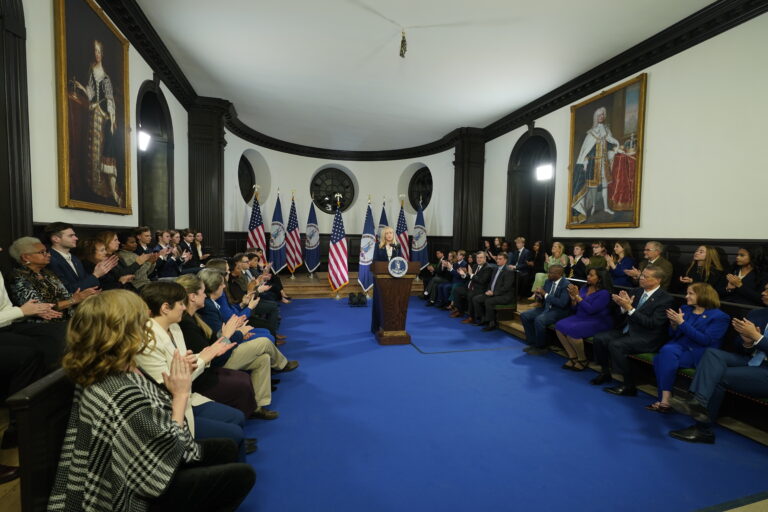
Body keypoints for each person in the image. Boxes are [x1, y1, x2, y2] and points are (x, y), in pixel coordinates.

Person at [48, 289, 255, 510]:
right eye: (141, 319)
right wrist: (180, 394)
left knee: (227, 446)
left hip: (143, 460)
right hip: (134, 491)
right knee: (243, 475)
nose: (147, 324)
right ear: (127, 331)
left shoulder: (102, 366)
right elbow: (168, 452)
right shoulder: (120, 389)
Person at [138, 282, 250, 457]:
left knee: (238, 418)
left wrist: (206, 356)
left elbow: (186, 367)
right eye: (180, 304)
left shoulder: (174, 327)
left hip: (189, 393)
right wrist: (205, 357)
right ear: (165, 308)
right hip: (171, 408)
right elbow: (169, 385)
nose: (184, 307)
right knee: (235, 433)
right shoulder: (148, 341)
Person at [670, 283, 768, 444]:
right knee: (712, 354)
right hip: (751, 360)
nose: (762, 293)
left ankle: (704, 428)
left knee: (717, 377)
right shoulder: (758, 313)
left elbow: (760, 341)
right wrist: (748, 342)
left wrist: (757, 338)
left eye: (767, 290)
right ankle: (697, 401)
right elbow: (740, 346)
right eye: (763, 289)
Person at [197, 268, 297, 419]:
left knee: (262, 359)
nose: (224, 287)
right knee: (264, 341)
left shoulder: (212, 303)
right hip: (220, 357)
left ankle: (257, 405)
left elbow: (227, 329)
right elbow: (222, 336)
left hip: (226, 348)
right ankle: (281, 364)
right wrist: (241, 333)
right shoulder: (209, 307)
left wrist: (239, 330)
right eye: (221, 285)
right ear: (214, 287)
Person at [175, 274, 258, 417]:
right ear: (193, 297)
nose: (205, 296)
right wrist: (228, 335)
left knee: (254, 367)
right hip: (201, 376)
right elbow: (209, 355)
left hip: (207, 367)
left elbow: (212, 342)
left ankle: (254, 409)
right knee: (243, 381)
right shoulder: (187, 323)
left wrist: (230, 333)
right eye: (202, 292)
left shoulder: (194, 317)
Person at [590, 265, 674, 396]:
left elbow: (652, 323)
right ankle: (605, 372)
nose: (641, 278)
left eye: (646, 276)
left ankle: (629, 385)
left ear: (658, 280)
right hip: (628, 330)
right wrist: (622, 307)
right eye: (642, 275)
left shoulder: (665, 299)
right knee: (600, 338)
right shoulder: (636, 291)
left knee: (616, 345)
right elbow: (623, 314)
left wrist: (629, 308)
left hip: (648, 337)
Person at [647, 283, 729, 413]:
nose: (686, 296)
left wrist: (682, 323)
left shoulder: (719, 317)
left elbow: (705, 340)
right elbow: (673, 334)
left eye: (690, 293)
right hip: (679, 347)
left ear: (703, 295)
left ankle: (664, 399)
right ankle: (665, 400)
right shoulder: (685, 309)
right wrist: (674, 325)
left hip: (698, 352)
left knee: (661, 357)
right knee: (666, 353)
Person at [72, 40, 122, 205]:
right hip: (93, 112)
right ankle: (92, 182)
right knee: (91, 147)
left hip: (102, 115)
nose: (96, 54)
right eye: (94, 51)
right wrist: (81, 87)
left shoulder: (105, 77)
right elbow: (91, 93)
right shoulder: (91, 71)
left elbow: (109, 99)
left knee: (100, 147)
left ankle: (100, 183)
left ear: (102, 54)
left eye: (99, 51)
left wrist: (112, 118)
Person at [8, 237, 97, 326]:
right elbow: (38, 308)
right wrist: (73, 300)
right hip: (39, 325)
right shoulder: (18, 276)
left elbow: (65, 296)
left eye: (47, 251)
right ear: (26, 257)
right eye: (42, 252)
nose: (48, 255)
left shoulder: (48, 273)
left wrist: (81, 295)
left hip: (65, 320)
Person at [554, 269, 614, 370]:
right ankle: (572, 356)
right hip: (581, 316)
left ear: (599, 279)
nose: (588, 277)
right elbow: (575, 308)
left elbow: (591, 310)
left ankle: (582, 359)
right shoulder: (584, 288)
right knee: (559, 325)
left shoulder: (604, 293)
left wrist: (577, 297)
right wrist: (573, 301)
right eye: (588, 275)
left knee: (573, 331)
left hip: (598, 320)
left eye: (591, 275)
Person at [571, 106, 622, 222]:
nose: (601, 117)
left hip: (604, 162)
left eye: (603, 114)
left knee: (605, 186)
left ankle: (606, 207)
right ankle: (593, 206)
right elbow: (586, 150)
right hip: (593, 164)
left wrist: (617, 145)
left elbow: (610, 141)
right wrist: (584, 161)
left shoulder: (606, 130)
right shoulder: (591, 133)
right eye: (599, 115)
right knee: (593, 187)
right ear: (596, 117)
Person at [44, 222, 116, 294]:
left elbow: (84, 282)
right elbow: (66, 290)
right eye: (71, 236)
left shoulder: (74, 258)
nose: (76, 238)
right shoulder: (49, 260)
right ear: (56, 239)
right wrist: (96, 274)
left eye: (74, 235)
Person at [520, 264, 571, 355]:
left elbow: (562, 304)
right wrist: (539, 296)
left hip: (558, 311)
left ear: (559, 274)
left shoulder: (566, 285)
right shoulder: (548, 281)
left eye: (550, 273)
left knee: (539, 320)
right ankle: (533, 343)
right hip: (546, 308)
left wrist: (545, 294)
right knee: (524, 315)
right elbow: (544, 297)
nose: (548, 274)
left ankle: (541, 347)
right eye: (548, 272)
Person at [471, 252, 515, 331]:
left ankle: (492, 323)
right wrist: (488, 290)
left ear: (505, 260)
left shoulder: (509, 271)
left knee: (488, 301)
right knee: (476, 299)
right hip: (493, 293)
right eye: (497, 259)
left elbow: (506, 287)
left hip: (504, 296)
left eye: (500, 259)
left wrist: (494, 293)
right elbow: (490, 282)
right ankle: (483, 318)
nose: (497, 260)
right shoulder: (495, 269)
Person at [454, 251, 494, 322]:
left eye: (481, 258)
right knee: (456, 290)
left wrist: (471, 274)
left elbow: (482, 281)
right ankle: (460, 311)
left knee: (470, 295)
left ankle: (471, 317)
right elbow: (470, 277)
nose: (479, 259)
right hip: (470, 287)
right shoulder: (475, 266)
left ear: (485, 259)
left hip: (480, 289)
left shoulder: (488, 268)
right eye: (477, 258)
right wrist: (463, 274)